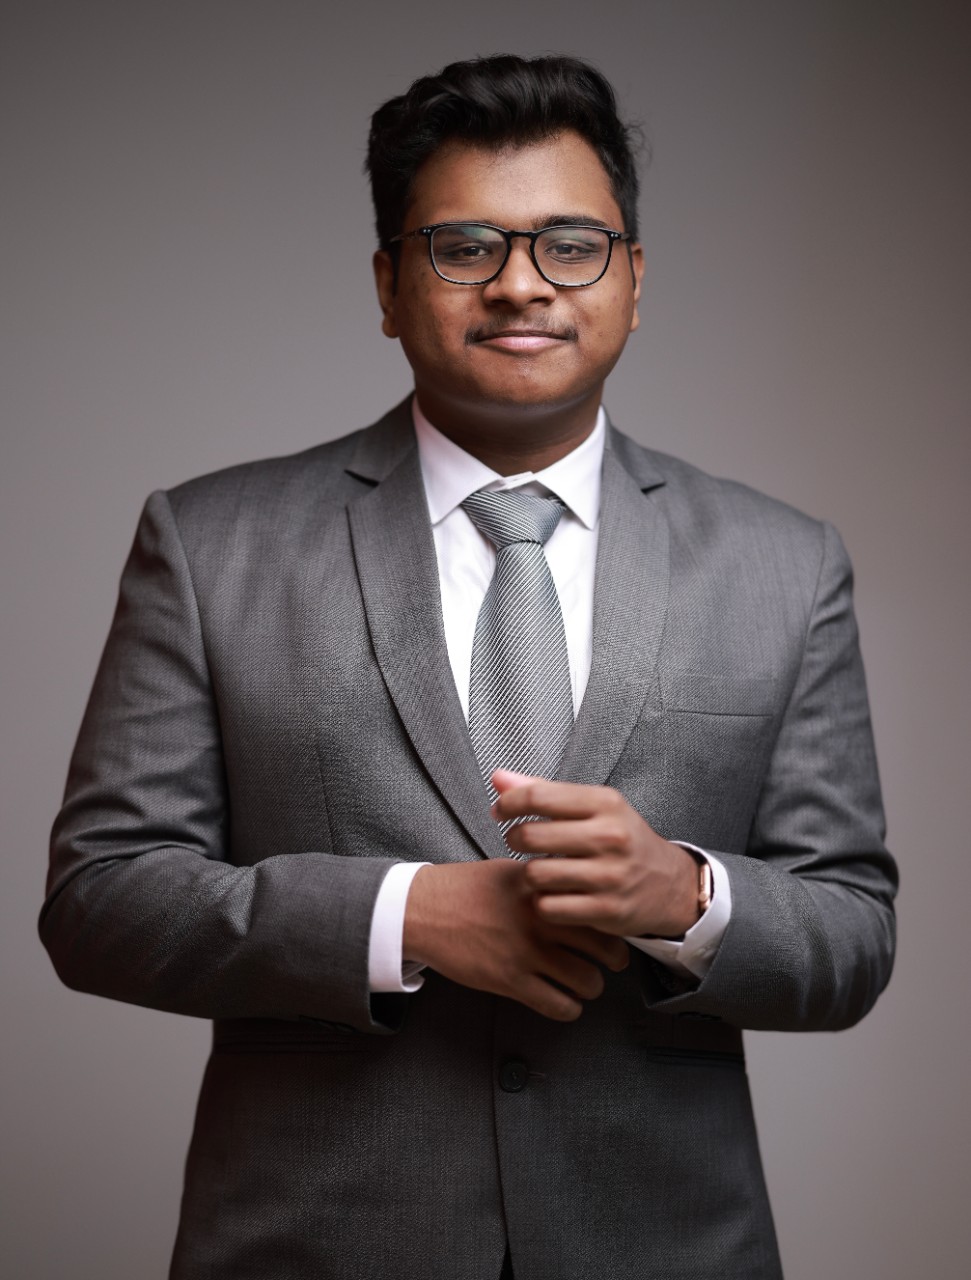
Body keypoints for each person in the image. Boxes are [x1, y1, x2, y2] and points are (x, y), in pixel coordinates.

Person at [40, 54, 897, 1280]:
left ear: (633, 281)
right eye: (460, 248)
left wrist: (682, 894)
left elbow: (852, 933)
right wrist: (410, 915)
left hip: (666, 1246)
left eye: (568, 244)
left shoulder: (782, 562)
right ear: (388, 285)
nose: (518, 285)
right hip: (314, 1245)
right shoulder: (212, 540)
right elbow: (101, 900)